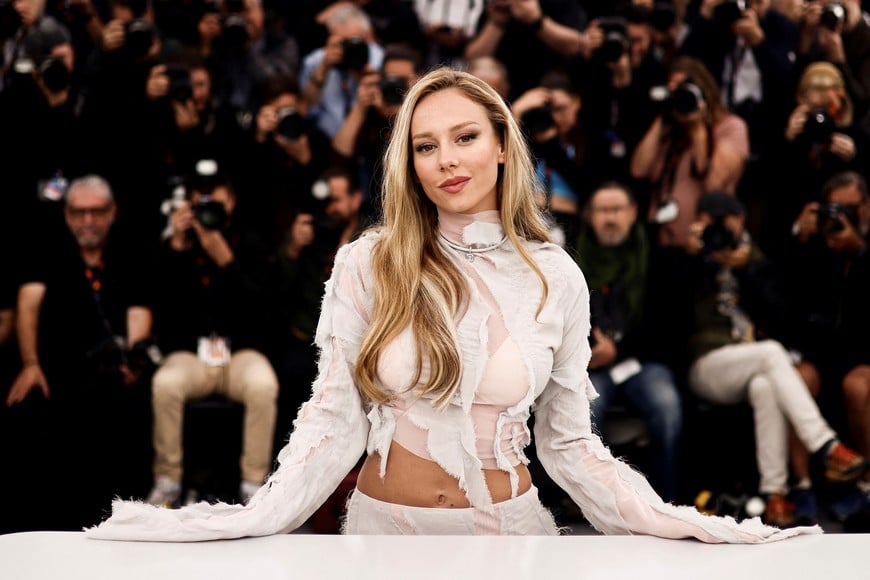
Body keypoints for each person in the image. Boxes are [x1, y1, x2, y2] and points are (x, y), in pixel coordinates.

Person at [90, 67, 822, 542]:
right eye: (425, 145)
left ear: (503, 145)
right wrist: (260, 518)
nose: (446, 160)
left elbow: (569, 444)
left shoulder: (555, 276)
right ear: (406, 163)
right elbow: (331, 420)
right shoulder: (367, 263)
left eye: (465, 138)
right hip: (379, 533)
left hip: (512, 534)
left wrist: (676, 523)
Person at [684, 190, 868, 527]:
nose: (721, 231)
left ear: (741, 221)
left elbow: (780, 313)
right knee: (772, 355)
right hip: (707, 364)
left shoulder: (758, 260)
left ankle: (774, 495)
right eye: (711, 222)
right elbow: (669, 312)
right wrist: (692, 257)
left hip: (752, 363)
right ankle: (826, 446)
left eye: (726, 221)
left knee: (766, 384)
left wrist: (746, 269)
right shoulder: (688, 258)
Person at [4, 175, 156, 531]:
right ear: (67, 215)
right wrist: (30, 363)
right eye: (79, 213)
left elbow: (138, 311)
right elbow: (28, 304)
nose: (88, 221)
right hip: (58, 366)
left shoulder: (130, 252)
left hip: (111, 371)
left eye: (96, 212)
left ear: (112, 213)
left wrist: (132, 360)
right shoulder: (46, 248)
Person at [144, 167, 278, 508]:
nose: (207, 211)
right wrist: (177, 244)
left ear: (231, 202)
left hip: (239, 353)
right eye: (200, 202)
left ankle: (253, 484)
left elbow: (263, 308)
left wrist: (227, 261)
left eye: (214, 202)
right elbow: (162, 306)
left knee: (264, 384)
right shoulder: (176, 245)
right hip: (191, 355)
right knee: (166, 384)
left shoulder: (250, 242)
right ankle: (168, 481)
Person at [575, 182, 683, 503]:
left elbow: (669, 324)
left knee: (666, 404)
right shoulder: (570, 261)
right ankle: (601, 503)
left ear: (633, 213)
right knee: (586, 408)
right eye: (603, 211)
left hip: (643, 360)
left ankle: (668, 502)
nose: (610, 218)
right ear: (589, 216)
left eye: (617, 210)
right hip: (590, 364)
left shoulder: (657, 259)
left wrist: (619, 350)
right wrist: (586, 352)